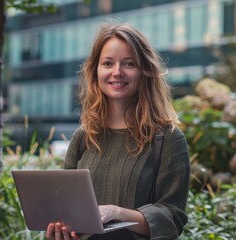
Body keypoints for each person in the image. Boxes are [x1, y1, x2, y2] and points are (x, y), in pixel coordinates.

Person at [46, 22, 190, 240]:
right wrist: (60, 231)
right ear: (95, 71)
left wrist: (117, 213)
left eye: (129, 64)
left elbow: (172, 219)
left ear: (145, 71)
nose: (117, 72)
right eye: (107, 63)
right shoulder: (84, 137)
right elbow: (68, 209)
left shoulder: (167, 138)